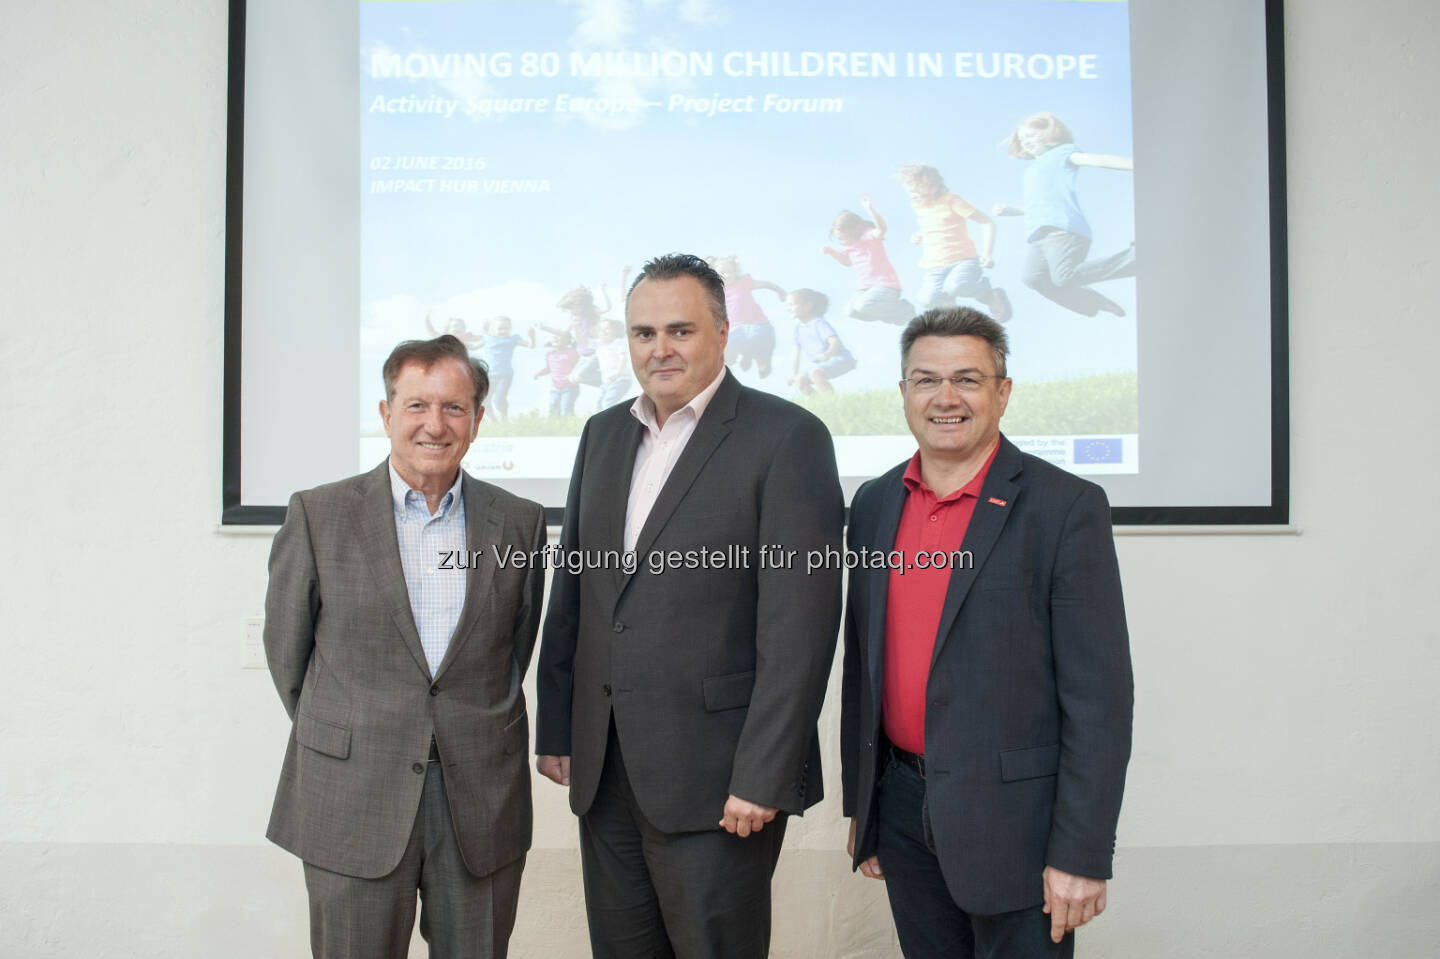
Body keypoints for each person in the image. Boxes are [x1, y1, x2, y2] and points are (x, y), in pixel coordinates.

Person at [535, 253, 844, 959]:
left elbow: (799, 628)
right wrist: (559, 724)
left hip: (721, 780)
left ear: (725, 331)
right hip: (604, 765)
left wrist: (765, 774)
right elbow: (576, 589)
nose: (660, 348)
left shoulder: (788, 438)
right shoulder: (603, 433)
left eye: (680, 329)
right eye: (643, 333)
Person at [841, 308, 1133, 957]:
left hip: (1019, 828)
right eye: (926, 380)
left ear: (1002, 391)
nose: (945, 398)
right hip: (904, 806)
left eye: (967, 379)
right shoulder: (874, 503)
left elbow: (1100, 701)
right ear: (903, 394)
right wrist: (867, 804)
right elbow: (864, 663)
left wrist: (1082, 851)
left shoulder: (1064, 507)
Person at [263, 334, 547, 959]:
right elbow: (289, 657)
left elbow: (513, 651)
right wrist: (361, 733)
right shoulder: (318, 515)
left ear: (477, 419)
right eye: (416, 405)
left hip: (480, 798)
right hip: (352, 795)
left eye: (453, 407)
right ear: (387, 414)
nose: (434, 424)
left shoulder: (520, 523)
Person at [993, 112, 1135, 317]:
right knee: (1032, 278)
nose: (1027, 142)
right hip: (1039, 235)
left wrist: (1136, 164)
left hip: (1063, 230)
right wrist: (1013, 211)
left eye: (1032, 136)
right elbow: (1040, 206)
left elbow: (1097, 160)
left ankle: (1135, 259)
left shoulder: (1062, 153)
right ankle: (1090, 302)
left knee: (1064, 277)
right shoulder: (1033, 169)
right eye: (1023, 140)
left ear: (1051, 134)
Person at [898, 164, 1013, 323]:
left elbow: (987, 222)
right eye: (914, 190)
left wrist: (987, 253)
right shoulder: (918, 206)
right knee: (926, 299)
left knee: (957, 286)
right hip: (935, 265)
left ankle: (991, 295)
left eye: (931, 185)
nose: (917, 194)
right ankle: (955, 318)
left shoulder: (952, 200)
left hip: (963, 259)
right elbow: (934, 225)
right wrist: (920, 235)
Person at [822, 194, 916, 325]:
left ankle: (903, 308)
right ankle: (896, 316)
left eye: (843, 238)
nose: (842, 242)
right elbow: (847, 262)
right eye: (840, 239)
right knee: (850, 311)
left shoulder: (868, 236)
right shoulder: (850, 247)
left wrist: (870, 209)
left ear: (854, 230)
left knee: (862, 305)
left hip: (886, 286)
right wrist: (832, 253)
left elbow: (882, 230)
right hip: (865, 289)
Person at [711, 253, 786, 377]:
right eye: (723, 273)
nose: (728, 275)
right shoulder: (717, 291)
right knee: (725, 349)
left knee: (754, 341)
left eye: (731, 272)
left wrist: (781, 292)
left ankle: (760, 361)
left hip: (757, 324)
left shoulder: (743, 282)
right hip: (735, 328)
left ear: (736, 272)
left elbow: (766, 284)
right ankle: (733, 368)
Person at [786, 288, 855, 395]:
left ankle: (830, 399)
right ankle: (817, 401)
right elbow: (796, 353)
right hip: (821, 364)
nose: (788, 309)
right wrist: (794, 374)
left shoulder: (818, 323)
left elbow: (834, 341)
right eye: (788, 305)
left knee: (815, 373)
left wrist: (828, 354)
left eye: (792, 305)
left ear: (808, 306)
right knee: (800, 380)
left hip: (842, 359)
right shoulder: (798, 328)